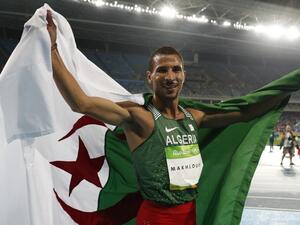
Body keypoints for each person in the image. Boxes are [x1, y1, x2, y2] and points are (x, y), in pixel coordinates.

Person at [46, 11, 287, 225]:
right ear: (149, 77)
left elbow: (246, 112)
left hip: (191, 212)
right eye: (162, 70)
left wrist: (290, 84)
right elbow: (81, 102)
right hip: (157, 217)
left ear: (184, 74)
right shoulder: (139, 118)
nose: (170, 76)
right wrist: (53, 48)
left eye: (176, 69)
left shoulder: (195, 116)